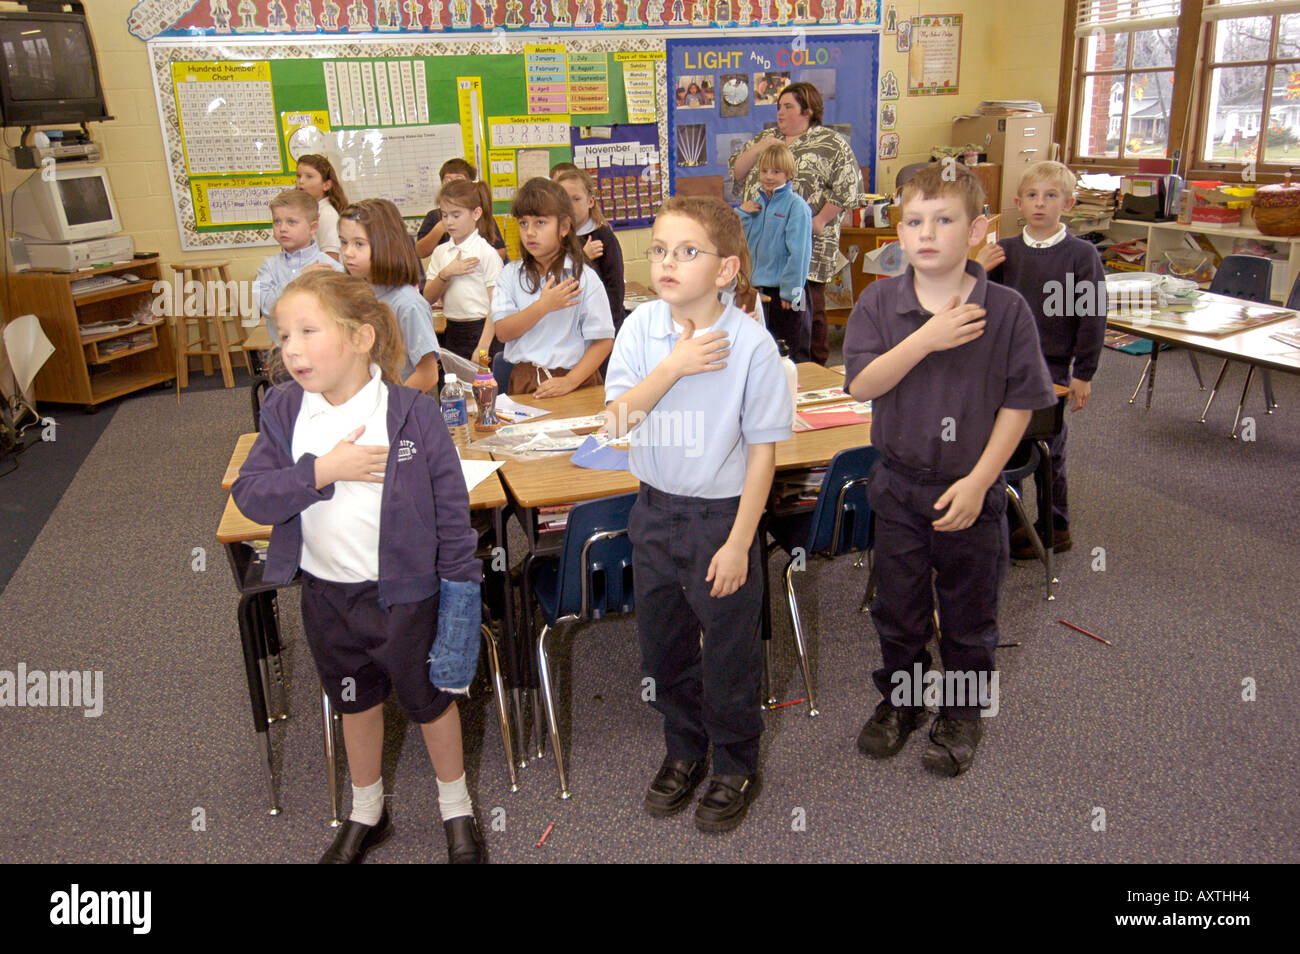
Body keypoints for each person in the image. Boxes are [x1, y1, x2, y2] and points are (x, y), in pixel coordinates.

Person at [232, 270, 486, 864]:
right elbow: (252, 495)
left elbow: (451, 510)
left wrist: (460, 592)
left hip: (406, 597)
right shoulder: (284, 409)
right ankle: (367, 809)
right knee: (353, 700)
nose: (290, 349)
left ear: (362, 337)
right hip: (327, 597)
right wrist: (323, 469)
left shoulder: (411, 414)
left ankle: (457, 806)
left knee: (429, 701)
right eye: (283, 335)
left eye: (307, 331)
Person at [843, 163, 1054, 777]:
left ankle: (961, 712)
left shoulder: (1007, 309)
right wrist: (927, 338)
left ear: (978, 230)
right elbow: (861, 383)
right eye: (913, 221)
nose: (927, 233)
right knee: (900, 609)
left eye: (944, 220)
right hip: (899, 486)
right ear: (898, 231)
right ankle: (903, 701)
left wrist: (983, 479)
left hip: (970, 487)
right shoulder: (880, 301)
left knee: (968, 611)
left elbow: (1020, 405)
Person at [605, 196, 792, 833]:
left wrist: (742, 541)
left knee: (731, 654)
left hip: (722, 520)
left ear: (725, 270)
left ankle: (735, 761)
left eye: (688, 252)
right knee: (664, 650)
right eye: (659, 249)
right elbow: (615, 423)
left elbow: (763, 453)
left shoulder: (752, 346)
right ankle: (685, 748)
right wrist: (673, 366)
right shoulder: (639, 329)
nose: (667, 262)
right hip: (654, 513)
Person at [976, 160, 1105, 558]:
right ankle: (1012, 524)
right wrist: (978, 269)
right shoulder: (1004, 252)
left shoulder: (1081, 255)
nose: (1040, 204)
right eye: (1032, 196)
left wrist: (1083, 373)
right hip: (1001, 372)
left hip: (1051, 372)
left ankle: (1055, 527)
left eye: (1051, 196)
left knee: (1049, 450)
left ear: (1068, 203)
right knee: (1001, 448)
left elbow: (1092, 316)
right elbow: (978, 309)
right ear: (1018, 202)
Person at [728, 81, 864, 365]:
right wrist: (761, 147)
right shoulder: (766, 137)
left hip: (810, 240)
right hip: (764, 245)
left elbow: (848, 187)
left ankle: (812, 369)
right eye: (778, 107)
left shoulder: (831, 143)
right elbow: (738, 172)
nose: (780, 112)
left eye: (788, 106)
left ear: (809, 111)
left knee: (806, 311)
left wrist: (820, 220)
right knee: (765, 311)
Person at [491, 177, 614, 396]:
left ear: (564, 226)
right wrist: (542, 306)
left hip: (576, 381)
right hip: (525, 380)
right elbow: (503, 332)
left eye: (540, 222)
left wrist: (569, 381)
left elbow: (603, 341)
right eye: (523, 223)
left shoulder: (584, 277)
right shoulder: (510, 275)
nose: (530, 232)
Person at [338, 198, 442, 395]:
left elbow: (428, 375)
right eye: (344, 243)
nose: (348, 253)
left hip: (398, 412)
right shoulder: (356, 295)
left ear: (385, 245)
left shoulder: (408, 304)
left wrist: (388, 405)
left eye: (359, 244)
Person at [738, 141, 813, 361]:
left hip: (790, 291)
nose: (769, 176)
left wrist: (791, 292)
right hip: (759, 290)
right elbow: (741, 242)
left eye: (776, 171)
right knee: (762, 350)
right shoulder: (755, 205)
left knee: (792, 348)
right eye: (764, 171)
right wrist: (741, 213)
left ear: (788, 173)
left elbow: (799, 254)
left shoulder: (796, 207)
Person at [423, 179, 504, 361]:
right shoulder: (440, 252)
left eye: (456, 215)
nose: (449, 222)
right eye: (444, 215)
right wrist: (446, 273)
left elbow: (497, 305)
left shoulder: (486, 253)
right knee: (452, 386)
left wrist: (482, 346)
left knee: (483, 387)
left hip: (483, 331)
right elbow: (427, 298)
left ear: (476, 213)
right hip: (452, 330)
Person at [255, 188, 344, 343]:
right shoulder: (268, 267)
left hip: (323, 352)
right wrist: (299, 278)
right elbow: (267, 308)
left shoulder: (331, 268)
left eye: (291, 222)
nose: (282, 228)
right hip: (282, 353)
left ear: (313, 227)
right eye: (277, 221)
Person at [556, 167, 626, 334]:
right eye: (565, 200)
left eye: (576, 199)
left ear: (590, 201)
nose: (570, 206)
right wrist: (583, 257)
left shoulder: (603, 236)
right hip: (569, 327)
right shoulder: (557, 238)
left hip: (602, 326)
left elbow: (615, 287)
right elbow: (556, 278)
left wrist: (607, 327)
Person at [416, 158, 509, 263]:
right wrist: (439, 229)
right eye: (447, 180)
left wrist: (472, 261)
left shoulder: (479, 215)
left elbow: (501, 252)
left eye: (459, 179)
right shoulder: (433, 216)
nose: (453, 184)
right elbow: (420, 252)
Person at [295, 154, 349, 261]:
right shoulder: (309, 210)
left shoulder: (327, 214)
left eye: (309, 176)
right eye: (299, 176)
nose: (301, 181)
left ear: (326, 185)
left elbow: (332, 258)